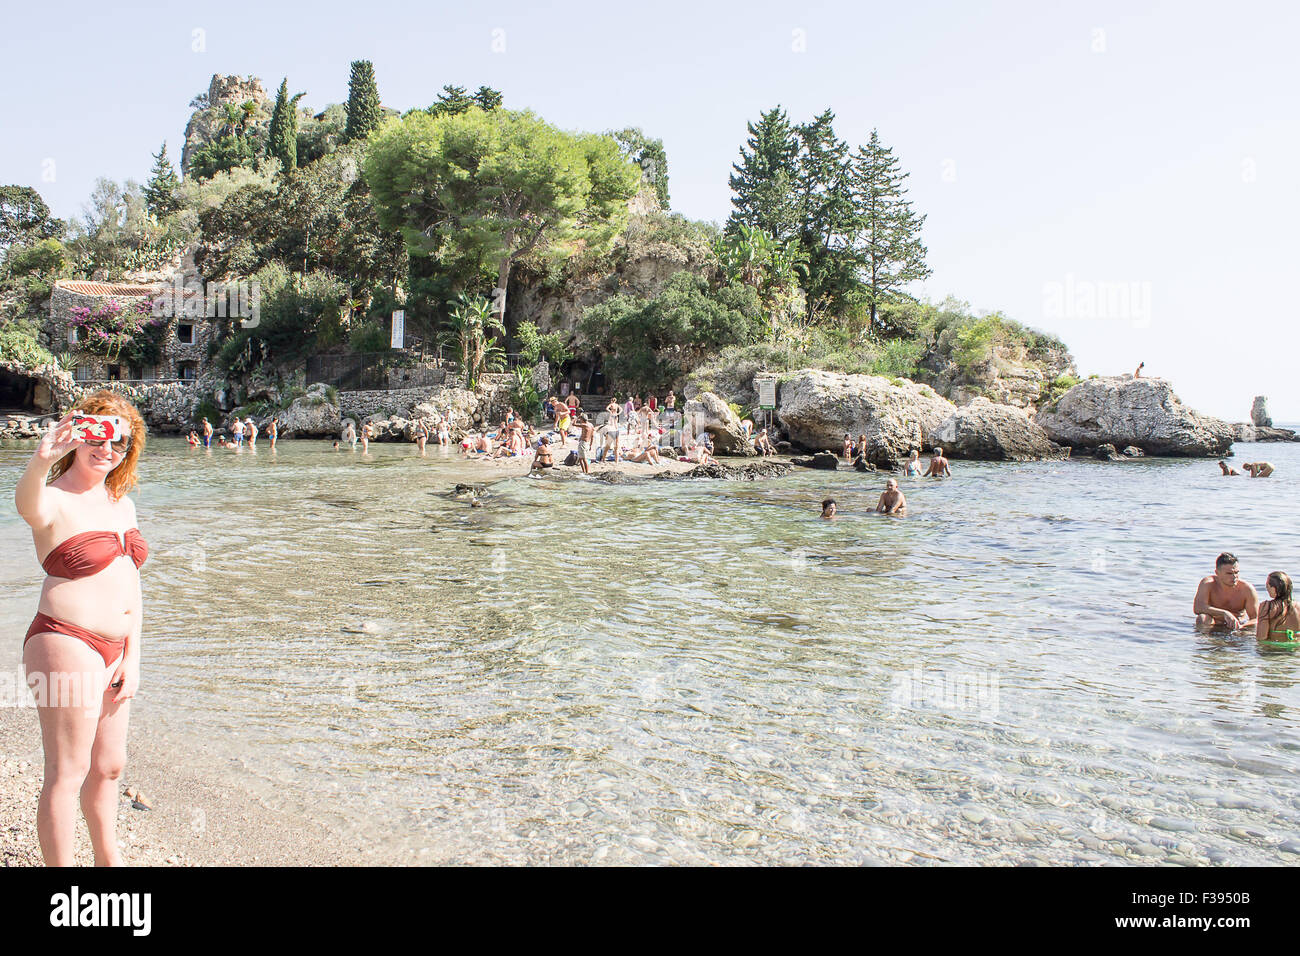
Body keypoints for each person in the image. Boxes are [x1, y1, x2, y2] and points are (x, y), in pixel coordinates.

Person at [15, 392, 149, 866]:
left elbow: (132, 588)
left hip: (116, 648)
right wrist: (41, 457)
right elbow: (28, 507)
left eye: (119, 440)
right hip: (64, 640)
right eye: (97, 434)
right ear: (78, 434)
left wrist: (132, 658)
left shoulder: (122, 504)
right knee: (68, 770)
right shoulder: (52, 498)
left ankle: (108, 864)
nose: (106, 448)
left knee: (110, 768)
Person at [1194, 552, 1260, 630]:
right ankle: (1205, 641)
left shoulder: (1247, 589)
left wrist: (1242, 627)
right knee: (1202, 618)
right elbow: (1198, 608)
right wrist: (1224, 613)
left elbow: (1256, 619)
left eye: (1236, 572)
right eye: (1229, 573)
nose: (1234, 577)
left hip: (1238, 625)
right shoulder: (1208, 584)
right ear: (1217, 573)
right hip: (1214, 623)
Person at [1257, 572, 1300, 643]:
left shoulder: (1267, 607)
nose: (1266, 588)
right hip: (1295, 651)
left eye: (1267, 585)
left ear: (1274, 589)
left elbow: (1261, 638)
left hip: (1274, 650)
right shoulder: (1298, 606)